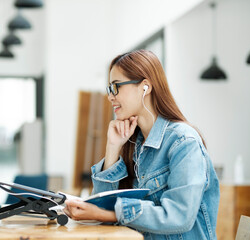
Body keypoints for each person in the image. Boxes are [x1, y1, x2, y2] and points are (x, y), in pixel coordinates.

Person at [64, 50, 220, 239]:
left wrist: (107, 214)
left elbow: (179, 216)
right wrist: (112, 148)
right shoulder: (135, 144)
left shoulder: (184, 141)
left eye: (116, 87)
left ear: (145, 87)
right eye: (109, 89)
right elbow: (100, 205)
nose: (110, 97)